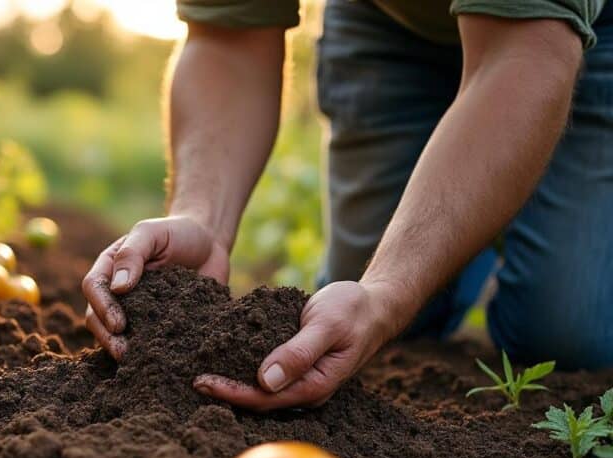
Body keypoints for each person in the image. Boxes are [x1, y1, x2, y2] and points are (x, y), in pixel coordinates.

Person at [82, 0, 613, 412]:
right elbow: (230, 35)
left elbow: (523, 53)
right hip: (388, 25)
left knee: (565, 335)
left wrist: (388, 290)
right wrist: (205, 219)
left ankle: (497, 207)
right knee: (360, 313)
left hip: (564, 33)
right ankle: (468, 217)